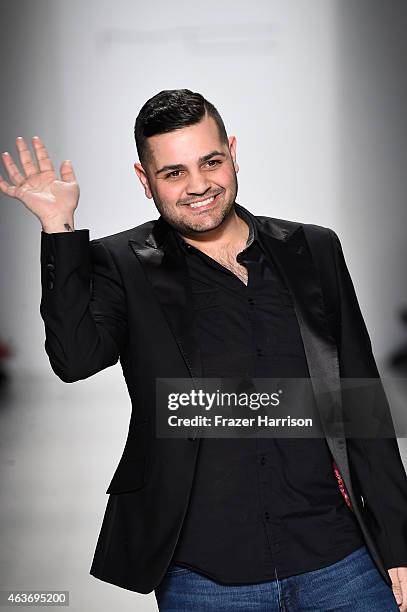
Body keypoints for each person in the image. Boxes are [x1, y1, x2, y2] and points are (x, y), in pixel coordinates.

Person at [1, 89, 406, 611]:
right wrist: (58, 226)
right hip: (206, 579)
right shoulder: (122, 264)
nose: (198, 186)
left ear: (232, 152)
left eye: (210, 162)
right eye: (173, 173)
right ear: (145, 181)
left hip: (340, 562)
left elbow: (359, 399)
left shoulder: (313, 248)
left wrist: (397, 538)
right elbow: (75, 359)